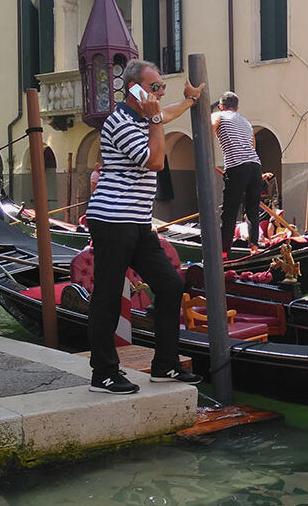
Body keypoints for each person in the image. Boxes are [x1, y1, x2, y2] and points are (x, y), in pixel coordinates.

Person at [85, 59, 205, 393]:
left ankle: (164, 365)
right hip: (111, 220)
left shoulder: (144, 118)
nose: (161, 92)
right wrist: (155, 118)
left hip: (137, 223)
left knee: (170, 284)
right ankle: (103, 373)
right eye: (155, 87)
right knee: (108, 295)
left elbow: (166, 114)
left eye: (162, 86)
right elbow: (155, 161)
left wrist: (190, 100)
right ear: (134, 90)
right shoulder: (120, 122)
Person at [212, 91, 266, 256]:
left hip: (236, 166)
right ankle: (254, 248)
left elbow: (209, 131)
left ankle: (223, 253)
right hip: (255, 166)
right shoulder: (246, 122)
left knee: (229, 211)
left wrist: (205, 158)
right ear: (237, 107)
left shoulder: (218, 115)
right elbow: (252, 145)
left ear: (221, 106)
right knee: (252, 210)